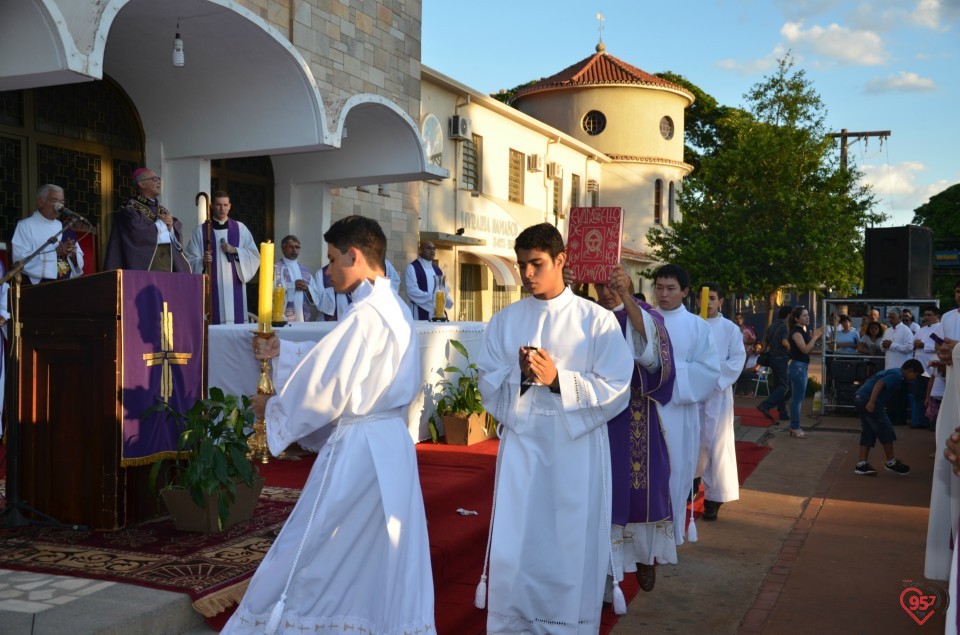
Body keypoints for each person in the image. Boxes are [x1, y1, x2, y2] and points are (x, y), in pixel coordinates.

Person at [222, 216, 434, 635]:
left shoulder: (367, 315)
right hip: (390, 445)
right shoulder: (391, 307)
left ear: (355, 256)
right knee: (374, 549)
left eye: (335, 259)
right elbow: (336, 360)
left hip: (361, 449)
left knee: (316, 542)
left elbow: (328, 387)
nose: (329, 269)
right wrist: (284, 350)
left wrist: (273, 407)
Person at [474, 223, 633, 633]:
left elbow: (618, 387)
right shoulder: (505, 320)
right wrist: (521, 376)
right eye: (522, 264)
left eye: (536, 264)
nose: (527, 274)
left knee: (567, 539)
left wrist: (560, 380)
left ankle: (564, 624)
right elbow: (488, 382)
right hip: (524, 444)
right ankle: (515, 622)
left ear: (562, 260)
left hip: (574, 448)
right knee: (519, 533)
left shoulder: (596, 321)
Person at [592, 265, 676, 593]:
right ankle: (605, 574)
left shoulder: (645, 314)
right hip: (596, 416)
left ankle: (643, 556)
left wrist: (626, 297)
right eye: (601, 282)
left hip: (635, 414)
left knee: (641, 485)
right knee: (601, 490)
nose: (607, 288)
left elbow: (653, 357)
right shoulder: (585, 315)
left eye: (615, 281)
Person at [651, 265, 720, 545]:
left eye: (670, 289)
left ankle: (671, 531)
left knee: (675, 470)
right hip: (646, 408)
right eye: (659, 287)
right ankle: (643, 533)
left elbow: (708, 371)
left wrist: (664, 371)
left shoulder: (697, 326)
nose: (663, 294)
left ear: (685, 291)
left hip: (678, 409)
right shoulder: (644, 320)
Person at [697, 284, 746, 521]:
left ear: (720, 302)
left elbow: (737, 359)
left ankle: (713, 499)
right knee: (693, 441)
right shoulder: (693, 324)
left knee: (717, 444)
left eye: (712, 299)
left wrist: (713, 378)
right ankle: (689, 486)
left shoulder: (730, 329)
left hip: (718, 392)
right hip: (692, 393)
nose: (707, 303)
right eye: (704, 298)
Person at [185, 191, 260, 324]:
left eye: (225, 205)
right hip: (211, 286)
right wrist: (202, 261)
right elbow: (188, 259)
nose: (222, 208)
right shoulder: (200, 231)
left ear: (230, 206)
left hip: (234, 285)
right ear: (212, 206)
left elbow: (254, 255)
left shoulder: (240, 229)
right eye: (219, 205)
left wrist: (235, 251)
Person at [103, 168, 190, 272]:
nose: (159, 181)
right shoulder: (130, 209)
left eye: (158, 178)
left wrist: (170, 227)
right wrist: (161, 225)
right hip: (142, 269)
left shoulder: (162, 210)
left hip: (166, 266)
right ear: (142, 184)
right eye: (154, 179)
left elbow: (176, 235)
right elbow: (136, 235)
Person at [852, 359, 920, 476]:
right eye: (916, 375)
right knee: (886, 429)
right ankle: (891, 462)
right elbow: (880, 384)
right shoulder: (897, 375)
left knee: (868, 431)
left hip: (860, 398)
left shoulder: (895, 372)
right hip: (868, 400)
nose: (915, 379)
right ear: (910, 370)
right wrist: (872, 401)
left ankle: (861, 464)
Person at [11, 184, 84, 284]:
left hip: (67, 285)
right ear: (41, 202)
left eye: (62, 202)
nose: (59, 206)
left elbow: (79, 263)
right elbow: (19, 262)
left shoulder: (65, 229)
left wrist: (72, 254)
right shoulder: (25, 226)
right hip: (40, 288)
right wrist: (56, 253)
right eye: (54, 201)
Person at [786, 306, 823, 439]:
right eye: (804, 316)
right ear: (796, 318)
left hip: (801, 366)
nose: (808, 317)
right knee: (797, 400)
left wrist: (813, 337)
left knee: (797, 398)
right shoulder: (796, 332)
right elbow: (805, 350)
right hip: (798, 367)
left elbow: (808, 350)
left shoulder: (802, 330)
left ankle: (794, 426)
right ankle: (795, 427)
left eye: (808, 315)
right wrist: (815, 336)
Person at [757, 306, 793, 424]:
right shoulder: (784, 326)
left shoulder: (772, 325)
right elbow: (784, 342)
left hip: (772, 358)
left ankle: (782, 413)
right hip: (781, 358)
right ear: (788, 315)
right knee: (784, 386)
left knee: (778, 386)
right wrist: (790, 350)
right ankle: (766, 405)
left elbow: (765, 342)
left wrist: (763, 354)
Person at [274, 235, 320, 322]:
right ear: (283, 249)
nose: (294, 249)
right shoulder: (276, 268)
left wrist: (307, 288)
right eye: (291, 247)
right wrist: (292, 286)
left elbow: (316, 297)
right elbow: (272, 292)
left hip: (302, 316)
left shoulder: (305, 271)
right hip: (283, 317)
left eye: (297, 247)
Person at [881, 308, 914, 426]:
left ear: (900, 317)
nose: (890, 320)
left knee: (900, 395)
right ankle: (890, 417)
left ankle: (900, 419)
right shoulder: (888, 330)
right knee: (889, 395)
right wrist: (884, 345)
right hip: (889, 367)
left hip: (901, 368)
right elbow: (882, 347)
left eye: (892, 317)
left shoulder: (906, 330)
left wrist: (893, 345)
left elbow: (910, 348)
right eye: (889, 317)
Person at [405, 240, 452, 320]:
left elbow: (445, 289)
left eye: (434, 249)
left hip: (438, 312)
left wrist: (446, 299)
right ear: (421, 251)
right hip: (419, 311)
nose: (432, 251)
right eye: (429, 248)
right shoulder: (413, 268)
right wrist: (434, 298)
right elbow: (412, 291)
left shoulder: (438, 270)